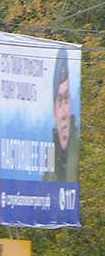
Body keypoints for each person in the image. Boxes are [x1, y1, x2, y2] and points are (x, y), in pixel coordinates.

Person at [45, 48, 79, 182]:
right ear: (54, 110)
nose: (64, 113)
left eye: (66, 99)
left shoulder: (76, 153)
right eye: (59, 101)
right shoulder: (49, 161)